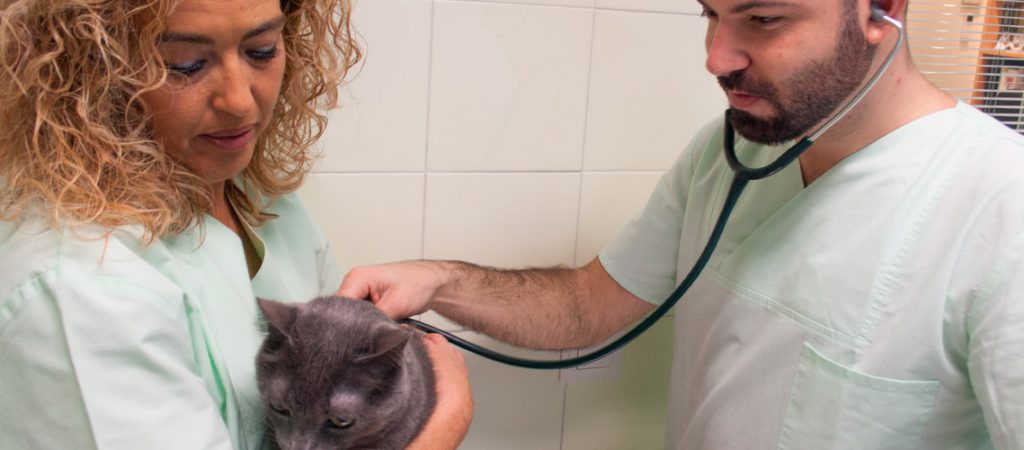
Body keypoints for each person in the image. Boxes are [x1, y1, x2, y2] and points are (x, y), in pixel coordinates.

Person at [338, 0, 1024, 448]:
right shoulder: (726, 153)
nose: (716, 57)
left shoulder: (998, 205)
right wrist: (437, 282)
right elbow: (586, 306)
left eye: (762, 19)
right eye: (710, 15)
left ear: (883, 10)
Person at [0, 0, 471, 449]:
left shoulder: (259, 198)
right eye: (185, 63)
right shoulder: (79, 289)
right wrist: (445, 421)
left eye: (262, 50)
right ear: (92, 71)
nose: (240, 102)